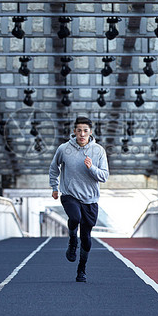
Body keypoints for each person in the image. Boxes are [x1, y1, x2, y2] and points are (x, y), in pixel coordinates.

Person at [48, 116, 109, 282]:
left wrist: (92, 168)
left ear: (90, 132)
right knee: (75, 217)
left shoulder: (98, 151)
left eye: (85, 131)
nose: (82, 134)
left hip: (90, 199)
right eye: (79, 130)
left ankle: (81, 269)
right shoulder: (64, 149)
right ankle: (72, 239)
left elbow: (104, 176)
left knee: (87, 238)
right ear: (74, 131)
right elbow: (54, 168)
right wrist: (54, 187)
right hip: (70, 194)